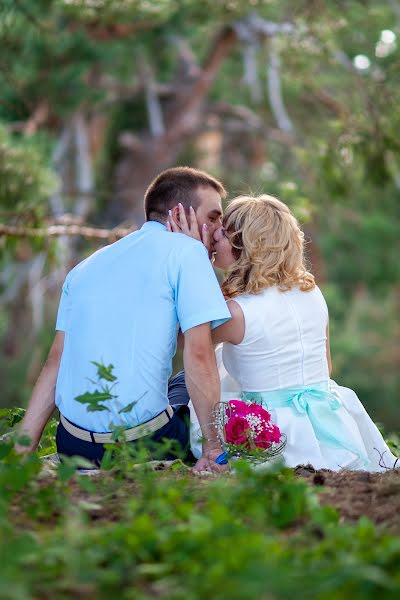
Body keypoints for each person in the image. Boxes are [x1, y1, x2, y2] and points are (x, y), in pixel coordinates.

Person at [17, 166, 231, 472]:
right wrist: (213, 447)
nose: (219, 230)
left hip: (73, 445)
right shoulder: (187, 253)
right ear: (180, 214)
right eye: (213, 218)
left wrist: (24, 450)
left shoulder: (84, 268)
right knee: (198, 374)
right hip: (143, 444)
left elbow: (56, 361)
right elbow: (197, 353)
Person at [170, 194, 398, 471]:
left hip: (269, 426)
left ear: (247, 245)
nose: (215, 235)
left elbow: (187, 338)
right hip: (328, 417)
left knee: (186, 392)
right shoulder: (312, 292)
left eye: (224, 232)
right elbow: (325, 366)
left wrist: (196, 260)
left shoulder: (237, 313)